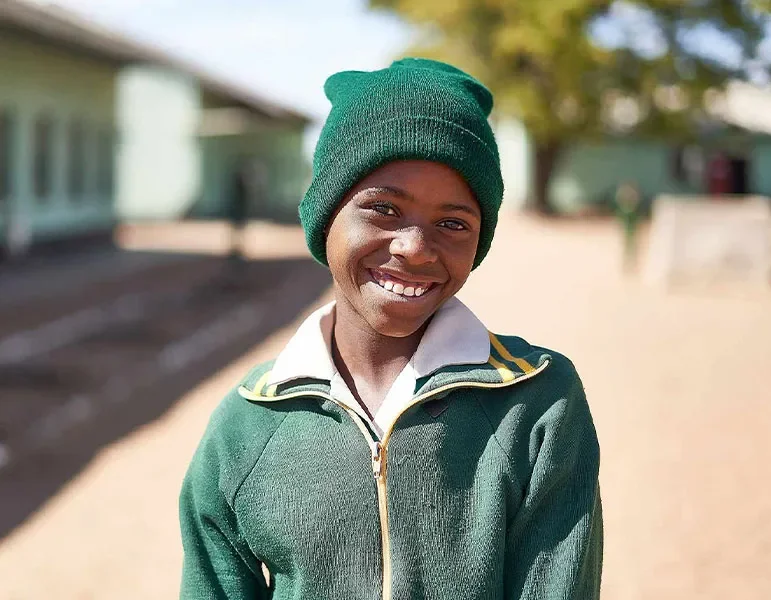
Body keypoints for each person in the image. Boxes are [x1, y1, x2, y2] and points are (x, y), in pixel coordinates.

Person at [179, 58, 603, 600]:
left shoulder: (538, 402)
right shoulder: (247, 427)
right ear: (325, 214)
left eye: (453, 223)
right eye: (382, 209)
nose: (415, 248)